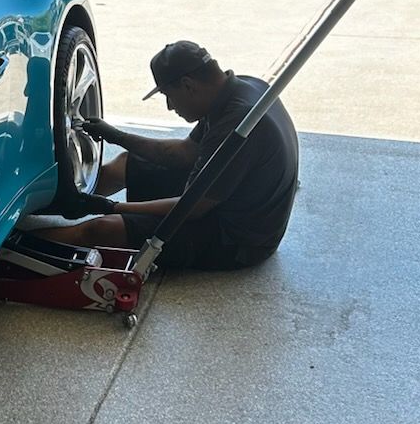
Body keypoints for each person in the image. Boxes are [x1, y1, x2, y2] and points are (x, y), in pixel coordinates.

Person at [56, 40, 299, 271]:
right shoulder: (239, 89)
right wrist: (117, 136)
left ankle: (19, 249)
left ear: (188, 85)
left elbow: (194, 208)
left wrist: (113, 207)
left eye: (168, 96)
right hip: (233, 196)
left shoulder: (237, 122)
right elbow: (184, 152)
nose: (170, 107)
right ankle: (61, 201)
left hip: (238, 239)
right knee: (126, 163)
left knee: (101, 230)